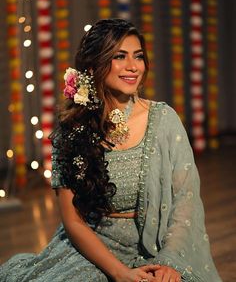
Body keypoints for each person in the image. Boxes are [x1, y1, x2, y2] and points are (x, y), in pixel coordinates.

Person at [0, 18, 222, 282]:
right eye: (120, 56)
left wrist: (169, 262)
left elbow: (185, 202)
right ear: (94, 64)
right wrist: (119, 273)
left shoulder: (164, 120)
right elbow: (73, 221)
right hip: (94, 251)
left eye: (138, 57)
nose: (133, 67)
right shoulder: (72, 130)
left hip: (159, 247)